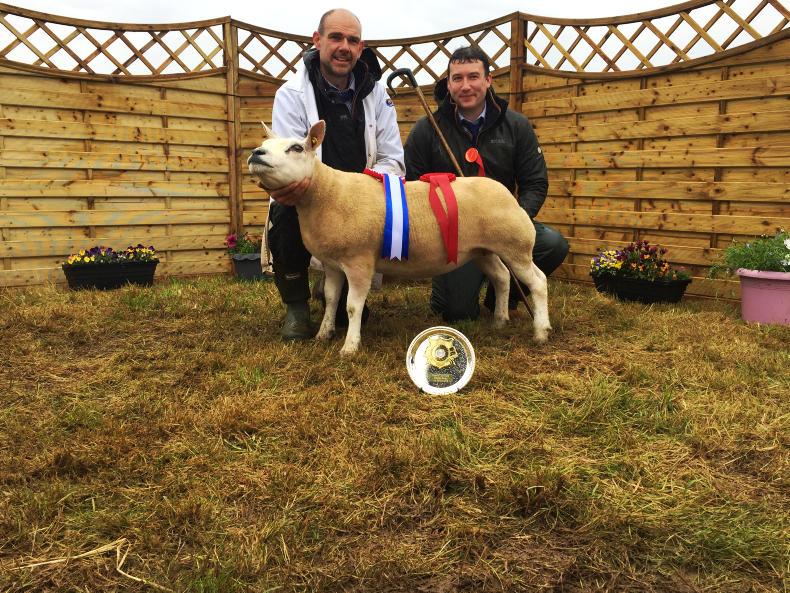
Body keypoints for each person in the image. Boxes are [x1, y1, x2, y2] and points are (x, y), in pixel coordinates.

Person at [267, 8, 405, 341]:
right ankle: (297, 307)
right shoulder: (291, 94)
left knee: (348, 317)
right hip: (310, 195)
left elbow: (392, 158)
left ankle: (340, 295)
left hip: (362, 200)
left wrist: (362, 191)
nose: (344, 46)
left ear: (361, 48)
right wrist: (322, 190)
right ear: (317, 41)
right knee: (285, 211)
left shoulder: (378, 94)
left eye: (352, 40)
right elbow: (289, 162)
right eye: (336, 37)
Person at [404, 46, 568, 322]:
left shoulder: (516, 125)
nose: (465, 86)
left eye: (473, 77)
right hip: (454, 236)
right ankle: (455, 291)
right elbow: (411, 184)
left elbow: (535, 182)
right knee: (456, 311)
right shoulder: (427, 128)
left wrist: (511, 224)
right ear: (448, 83)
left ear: (488, 80)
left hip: (503, 221)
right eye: (457, 78)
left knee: (552, 244)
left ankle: (500, 298)